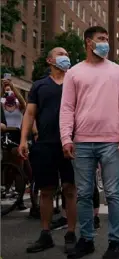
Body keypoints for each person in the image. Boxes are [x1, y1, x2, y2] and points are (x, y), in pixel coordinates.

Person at [60, 26, 119, 258]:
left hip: (112, 141)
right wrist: (66, 137)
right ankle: (87, 240)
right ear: (88, 43)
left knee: (113, 193)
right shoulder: (74, 73)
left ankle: (116, 242)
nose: (106, 43)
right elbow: (67, 107)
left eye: (107, 39)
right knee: (83, 194)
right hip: (81, 142)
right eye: (101, 39)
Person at [18, 47, 77, 254]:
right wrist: (23, 140)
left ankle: (71, 233)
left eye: (67, 54)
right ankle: (45, 234)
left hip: (71, 144)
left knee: (70, 189)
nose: (65, 57)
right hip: (44, 144)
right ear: (50, 60)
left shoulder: (75, 81)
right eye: (61, 54)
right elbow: (30, 113)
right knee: (46, 191)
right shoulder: (39, 85)